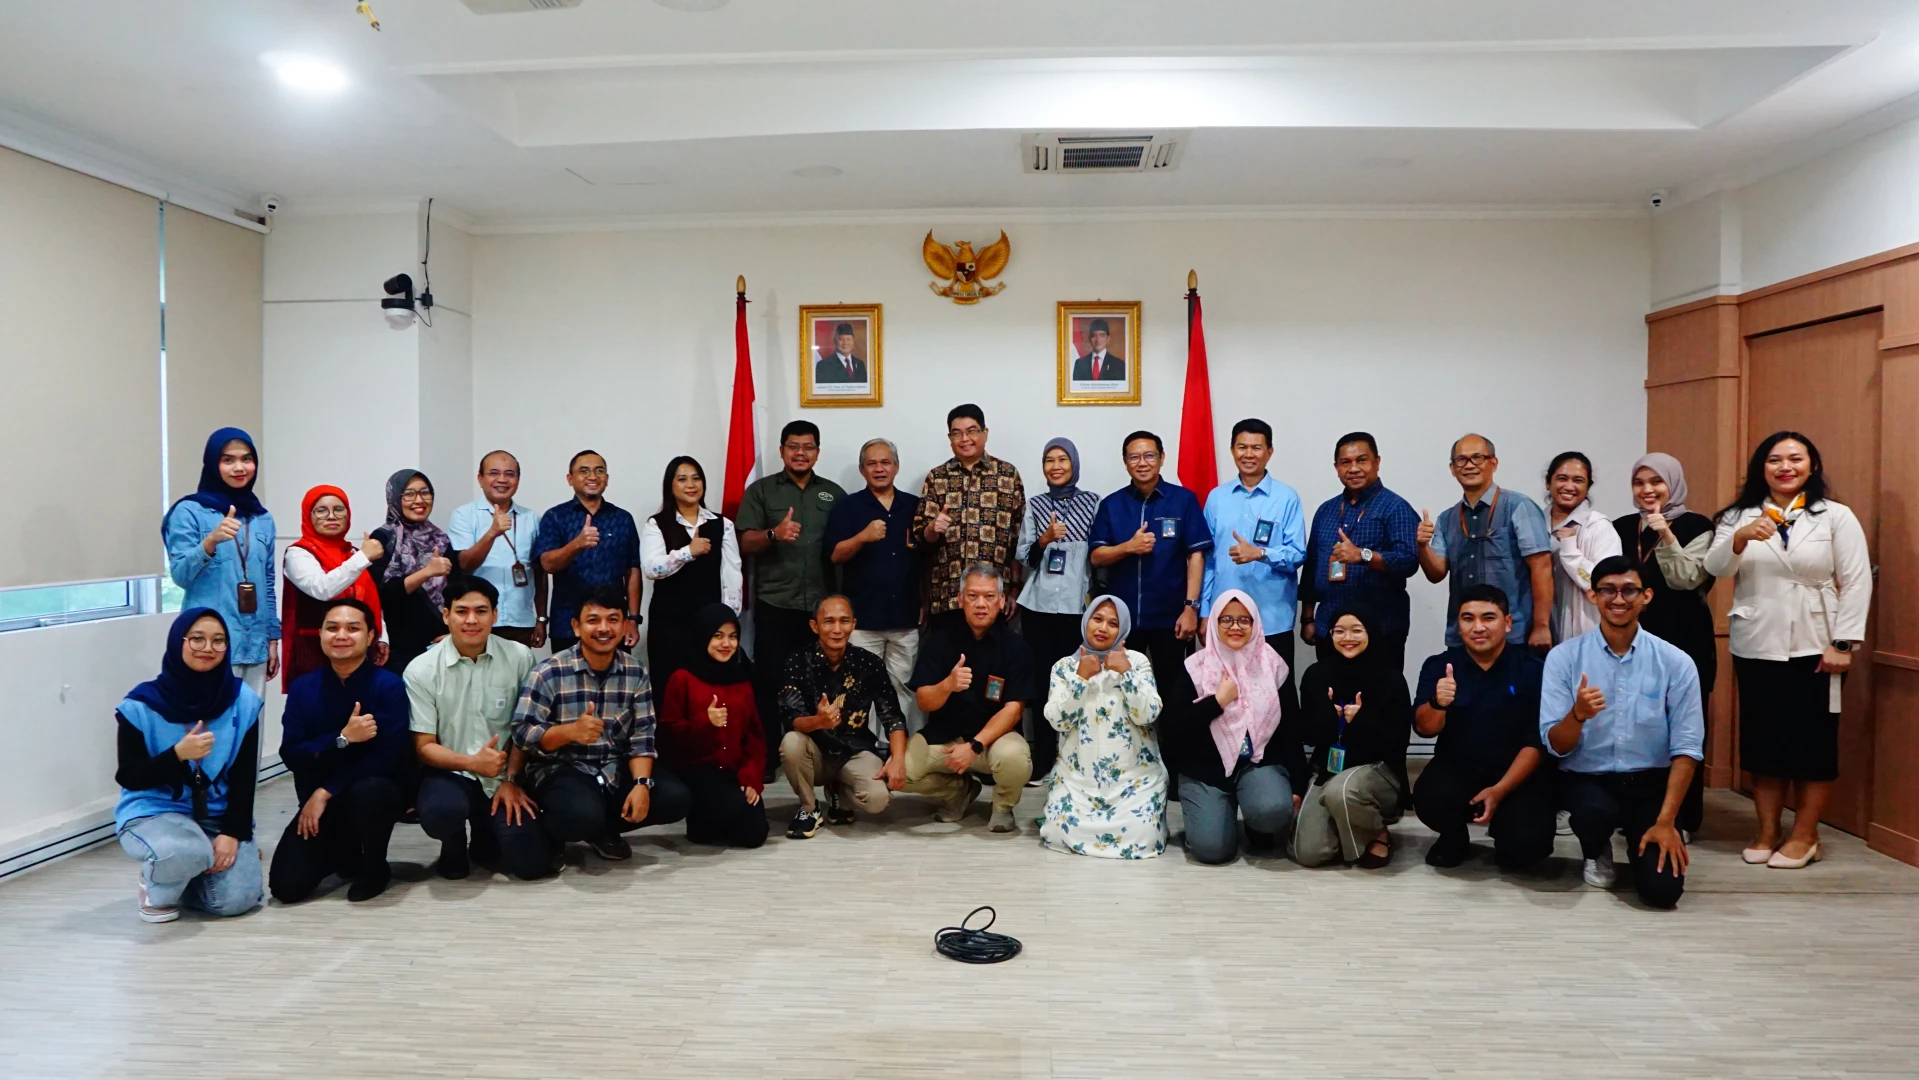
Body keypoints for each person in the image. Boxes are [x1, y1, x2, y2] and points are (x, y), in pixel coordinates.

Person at [1706, 431, 1872, 869]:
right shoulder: (1738, 516)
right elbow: (1715, 567)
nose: (1785, 467)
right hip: (1757, 642)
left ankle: (1805, 834)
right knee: (1763, 744)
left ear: (1811, 465)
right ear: (1761, 468)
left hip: (1817, 644)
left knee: (1813, 745)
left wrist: (1843, 642)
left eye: (1795, 459)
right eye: (1775, 459)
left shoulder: (1835, 516)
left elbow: (1857, 580)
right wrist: (1740, 538)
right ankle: (1767, 830)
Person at [1542, 556, 1704, 908]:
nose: (1618, 599)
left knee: (1663, 892)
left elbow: (1688, 748)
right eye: (1608, 590)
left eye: (1629, 590)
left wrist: (1667, 821)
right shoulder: (1563, 658)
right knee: (1593, 814)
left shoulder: (1676, 662)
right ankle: (1595, 848)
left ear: (1646, 596)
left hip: (1650, 783)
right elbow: (1556, 745)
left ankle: (1640, 842)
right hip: (1589, 779)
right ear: (1592, 596)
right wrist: (1577, 715)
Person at [511, 586, 691, 861]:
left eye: (613, 619)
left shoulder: (635, 672)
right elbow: (521, 732)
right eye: (593, 620)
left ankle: (602, 829)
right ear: (576, 626)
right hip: (562, 768)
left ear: (624, 625)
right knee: (579, 815)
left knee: (674, 798)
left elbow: (642, 736)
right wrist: (568, 732)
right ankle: (557, 829)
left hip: (613, 767)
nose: (604, 628)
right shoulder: (548, 672)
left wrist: (642, 784)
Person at [113, 608, 265, 922]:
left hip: (216, 814)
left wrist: (232, 832)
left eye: (218, 641)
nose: (208, 648)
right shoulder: (139, 705)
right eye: (197, 639)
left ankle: (186, 873)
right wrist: (176, 755)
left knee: (237, 900)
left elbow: (244, 775)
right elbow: (130, 776)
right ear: (178, 641)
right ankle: (156, 885)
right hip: (155, 812)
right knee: (186, 851)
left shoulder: (243, 700)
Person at [407, 576, 551, 882]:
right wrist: (472, 763)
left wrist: (511, 779)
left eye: (481, 611)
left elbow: (525, 728)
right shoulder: (421, 669)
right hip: (450, 772)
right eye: (461, 611)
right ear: (446, 615)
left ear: (494, 615)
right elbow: (423, 746)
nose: (471, 620)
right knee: (441, 812)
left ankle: (485, 836)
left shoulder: (519, 657)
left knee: (532, 865)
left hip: (503, 776)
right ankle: (453, 841)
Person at [270, 598, 413, 904]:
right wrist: (342, 739)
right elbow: (292, 753)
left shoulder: (388, 686)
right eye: (332, 628)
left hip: (370, 794)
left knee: (371, 790)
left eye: (353, 628)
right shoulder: (303, 688)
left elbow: (389, 758)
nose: (341, 636)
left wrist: (326, 791)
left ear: (371, 636)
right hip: (319, 801)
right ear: (321, 634)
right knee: (286, 887)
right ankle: (344, 852)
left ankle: (374, 865)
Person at [1089, 430, 1213, 764]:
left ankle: (1173, 767)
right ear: (1125, 461)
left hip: (1171, 617)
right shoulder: (1112, 504)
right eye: (1134, 456)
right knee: (1120, 691)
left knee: (1173, 693)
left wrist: (1191, 607)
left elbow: (1196, 556)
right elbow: (1097, 556)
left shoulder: (1183, 500)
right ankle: (1124, 763)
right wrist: (1128, 547)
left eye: (1149, 455)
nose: (1142, 463)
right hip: (1123, 621)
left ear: (1161, 458)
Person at [1411, 585, 1555, 870]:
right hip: (1459, 770)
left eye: (1488, 618)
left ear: (1508, 623)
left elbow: (1536, 743)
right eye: (1468, 618)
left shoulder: (1534, 669)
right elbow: (1424, 729)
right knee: (1429, 797)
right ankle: (1454, 836)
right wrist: (1438, 703)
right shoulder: (1439, 666)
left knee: (1526, 849)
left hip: (1515, 776)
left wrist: (1499, 790)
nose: (1478, 627)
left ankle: (1505, 830)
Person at [1616, 452, 1717, 834]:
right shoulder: (1621, 526)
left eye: (1656, 481)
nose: (1648, 490)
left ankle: (1682, 818)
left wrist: (1666, 534)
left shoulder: (1698, 525)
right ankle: (1634, 815)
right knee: (1635, 726)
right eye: (1639, 482)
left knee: (1682, 730)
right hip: (1631, 642)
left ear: (1673, 483)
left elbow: (1687, 579)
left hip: (1685, 640)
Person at [737, 421, 846, 772]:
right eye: (793, 446)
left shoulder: (833, 493)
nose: (801, 453)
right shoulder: (762, 491)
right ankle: (768, 758)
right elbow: (744, 541)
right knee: (769, 683)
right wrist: (774, 533)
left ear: (818, 452)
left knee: (821, 685)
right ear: (782, 450)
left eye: (808, 447)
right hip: (776, 603)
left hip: (820, 609)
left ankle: (819, 759)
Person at [1171, 590, 1305, 865]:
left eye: (1244, 620)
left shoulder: (1273, 665)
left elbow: (1291, 729)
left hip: (1257, 764)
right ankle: (1217, 816)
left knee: (1272, 813)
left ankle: (1257, 821)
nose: (1236, 626)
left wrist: (1298, 785)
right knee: (1212, 850)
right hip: (1204, 770)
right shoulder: (1195, 668)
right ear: (1214, 623)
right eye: (1226, 620)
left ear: (1255, 623)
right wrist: (1217, 702)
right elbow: (1175, 728)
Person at [906, 564, 1036, 831]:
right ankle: (958, 792)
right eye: (973, 596)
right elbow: (923, 701)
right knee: (900, 773)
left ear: (1001, 601)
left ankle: (1002, 806)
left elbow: (1014, 710)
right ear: (960, 599)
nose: (981, 604)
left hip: (991, 741)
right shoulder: (940, 641)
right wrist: (947, 685)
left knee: (1016, 758)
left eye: (989, 596)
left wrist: (975, 745)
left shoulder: (1016, 648)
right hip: (945, 738)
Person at [1039, 595, 1167, 859]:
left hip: (1134, 781)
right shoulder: (1064, 667)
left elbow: (1148, 714)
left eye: (1113, 623)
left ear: (1123, 630)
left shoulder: (1137, 662)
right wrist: (1081, 678)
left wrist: (1126, 673)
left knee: (1144, 835)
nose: (1103, 628)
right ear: (1086, 621)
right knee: (1058, 830)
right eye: (1097, 619)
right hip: (1077, 780)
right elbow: (1058, 720)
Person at [776, 595, 907, 838]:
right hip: (814, 751)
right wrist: (819, 721)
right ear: (815, 626)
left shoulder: (869, 663)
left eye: (844, 621)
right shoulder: (797, 662)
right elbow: (791, 719)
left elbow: (893, 716)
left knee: (878, 799)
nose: (837, 629)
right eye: (829, 621)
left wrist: (898, 758)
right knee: (791, 742)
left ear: (853, 624)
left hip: (854, 750)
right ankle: (809, 808)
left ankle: (839, 792)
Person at [1292, 603, 1411, 868]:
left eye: (1357, 630)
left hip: (1377, 771)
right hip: (1328, 769)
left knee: (1341, 790)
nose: (1348, 638)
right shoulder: (1316, 675)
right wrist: (1327, 716)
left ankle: (1378, 831)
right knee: (1309, 853)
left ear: (1371, 632)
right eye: (1339, 631)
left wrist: (1363, 719)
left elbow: (1397, 744)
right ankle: (1349, 827)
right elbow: (1307, 735)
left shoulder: (1390, 679)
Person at [163, 428, 280, 693]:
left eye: (246, 459)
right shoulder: (189, 512)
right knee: (209, 717)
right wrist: (209, 543)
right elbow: (180, 575)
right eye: (228, 460)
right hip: (208, 646)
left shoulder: (262, 518)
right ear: (213, 464)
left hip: (255, 643)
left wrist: (273, 639)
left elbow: (268, 583)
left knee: (251, 718)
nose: (239, 467)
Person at [1417, 434, 1554, 653]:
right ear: (1452, 468)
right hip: (1464, 635)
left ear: (1494, 463)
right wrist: (1423, 546)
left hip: (1514, 634)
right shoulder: (1447, 518)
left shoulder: (1518, 506)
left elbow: (1542, 566)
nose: (1469, 465)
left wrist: (1541, 626)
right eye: (1461, 460)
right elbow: (1436, 573)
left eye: (1477, 458)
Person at [1014, 437, 1101, 780]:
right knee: (1041, 685)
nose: (1056, 466)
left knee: (1078, 683)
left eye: (1062, 459)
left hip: (1077, 609)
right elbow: (1024, 558)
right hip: (1039, 607)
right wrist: (1045, 539)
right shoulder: (1035, 505)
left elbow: (1099, 554)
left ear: (1074, 464)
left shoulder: (1092, 503)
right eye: (1049, 460)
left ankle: (1075, 758)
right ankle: (1044, 759)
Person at [1298, 432, 1420, 672]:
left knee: (1380, 694)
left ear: (1377, 462)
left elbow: (1408, 561)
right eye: (1346, 462)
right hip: (1330, 626)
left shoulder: (1396, 508)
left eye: (1361, 460)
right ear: (1336, 468)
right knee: (1331, 691)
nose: (1353, 468)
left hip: (1381, 628)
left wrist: (1363, 555)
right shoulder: (1326, 510)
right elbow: (1312, 566)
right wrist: (1308, 618)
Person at [826, 438, 922, 734]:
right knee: (860, 686)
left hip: (905, 615)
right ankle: (864, 747)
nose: (879, 469)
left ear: (896, 467)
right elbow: (834, 555)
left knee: (902, 685)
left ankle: (898, 745)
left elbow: (927, 558)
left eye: (885, 462)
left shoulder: (914, 506)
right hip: (863, 617)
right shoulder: (848, 507)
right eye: (872, 463)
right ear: (862, 469)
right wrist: (862, 537)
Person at [656, 604, 768, 849]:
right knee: (731, 810)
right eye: (718, 636)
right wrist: (704, 723)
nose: (726, 644)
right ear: (703, 636)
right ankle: (703, 818)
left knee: (755, 834)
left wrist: (751, 778)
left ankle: (710, 820)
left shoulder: (742, 681)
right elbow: (667, 737)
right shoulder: (682, 678)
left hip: (732, 771)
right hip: (695, 770)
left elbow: (755, 738)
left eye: (733, 636)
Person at [1200, 419, 1306, 667]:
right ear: (1232, 451)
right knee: (1224, 688)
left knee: (1276, 688)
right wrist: (1204, 612)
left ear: (1269, 452)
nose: (1249, 454)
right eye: (1242, 447)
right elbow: (1208, 561)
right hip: (1225, 620)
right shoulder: (1216, 498)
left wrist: (1260, 553)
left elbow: (1297, 554)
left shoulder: (1287, 497)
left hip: (1272, 619)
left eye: (1256, 448)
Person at [913, 404, 1027, 618]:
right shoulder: (937, 477)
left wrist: (1014, 588)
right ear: (950, 438)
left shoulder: (1008, 475)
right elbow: (920, 539)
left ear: (985, 433)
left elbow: (1019, 538)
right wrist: (932, 528)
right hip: (947, 596)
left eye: (971, 431)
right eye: (957, 433)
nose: (964, 439)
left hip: (993, 597)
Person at [641, 455, 743, 688]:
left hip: (709, 622)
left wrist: (727, 618)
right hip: (668, 622)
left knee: (708, 685)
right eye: (682, 479)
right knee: (668, 685)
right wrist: (688, 552)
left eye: (696, 478)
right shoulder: (657, 524)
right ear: (670, 485)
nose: (691, 485)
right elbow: (651, 568)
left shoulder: (722, 524)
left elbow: (732, 574)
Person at [533, 450, 643, 654]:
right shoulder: (555, 516)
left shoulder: (623, 518)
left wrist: (633, 619)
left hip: (613, 623)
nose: (593, 476)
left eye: (599, 471)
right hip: (567, 622)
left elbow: (633, 570)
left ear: (607, 479)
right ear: (570, 478)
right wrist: (576, 544)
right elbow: (547, 564)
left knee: (617, 674)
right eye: (584, 471)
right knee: (567, 675)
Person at [281, 485, 386, 691]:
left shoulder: (351, 552)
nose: (331, 516)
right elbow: (322, 589)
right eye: (321, 510)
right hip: (314, 651)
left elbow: (369, 599)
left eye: (339, 509)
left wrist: (381, 638)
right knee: (316, 706)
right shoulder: (298, 553)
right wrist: (363, 558)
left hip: (357, 651)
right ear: (308, 515)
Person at [449, 450, 548, 649]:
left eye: (510, 474)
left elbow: (539, 573)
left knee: (519, 670)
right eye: (494, 473)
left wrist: (541, 619)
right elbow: (465, 564)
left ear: (518, 480)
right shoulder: (464, 515)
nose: (502, 479)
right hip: (476, 621)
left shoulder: (532, 518)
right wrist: (492, 533)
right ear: (480, 478)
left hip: (520, 621)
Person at [369, 469, 454, 675]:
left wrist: (454, 634)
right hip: (398, 648)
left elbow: (456, 592)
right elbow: (381, 593)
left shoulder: (440, 539)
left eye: (425, 492)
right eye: (409, 494)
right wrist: (427, 572)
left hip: (440, 645)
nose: (419, 500)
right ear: (394, 498)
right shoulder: (383, 538)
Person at [1544, 451, 1622, 643]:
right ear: (1548, 482)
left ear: (1588, 487)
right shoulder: (1534, 522)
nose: (1569, 486)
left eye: (1578, 480)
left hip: (1584, 628)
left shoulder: (1599, 526)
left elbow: (1606, 585)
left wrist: (1570, 550)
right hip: (1540, 628)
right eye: (1562, 478)